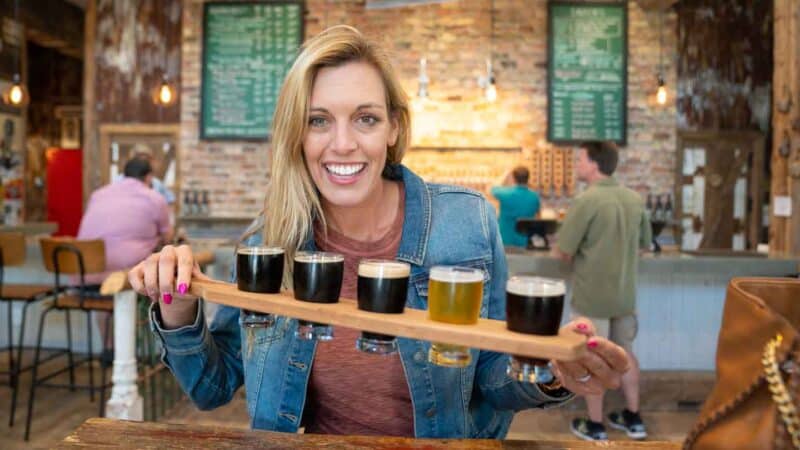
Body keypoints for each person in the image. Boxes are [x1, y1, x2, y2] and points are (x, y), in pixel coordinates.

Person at [128, 26, 630, 439]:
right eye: (318, 121)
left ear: (393, 128)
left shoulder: (466, 222)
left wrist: (546, 370)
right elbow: (212, 387)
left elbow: (493, 379)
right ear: (296, 135)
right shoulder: (270, 238)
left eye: (365, 119)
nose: (342, 144)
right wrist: (177, 305)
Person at [553, 141, 652, 442]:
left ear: (595, 164)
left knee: (592, 361)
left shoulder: (587, 201)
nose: (578, 164)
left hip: (592, 296)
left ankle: (595, 426)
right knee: (626, 355)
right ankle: (634, 419)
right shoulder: (635, 199)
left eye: (581, 159)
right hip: (625, 295)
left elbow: (563, 252)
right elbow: (646, 244)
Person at [77, 157, 173, 352]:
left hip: (85, 278)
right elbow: (168, 236)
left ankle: (109, 349)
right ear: (149, 177)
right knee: (149, 289)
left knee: (105, 297)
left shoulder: (98, 194)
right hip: (128, 278)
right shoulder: (154, 198)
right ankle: (142, 355)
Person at [491, 166, 541, 247]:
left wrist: (505, 174)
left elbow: (492, 188)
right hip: (524, 242)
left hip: (505, 240)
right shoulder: (534, 197)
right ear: (528, 179)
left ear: (514, 178)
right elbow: (538, 216)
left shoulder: (505, 194)